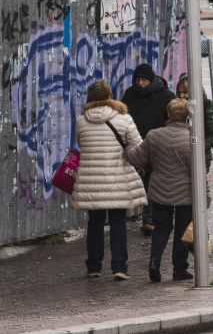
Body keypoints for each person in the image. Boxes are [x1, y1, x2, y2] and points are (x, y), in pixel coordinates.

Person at [74, 81, 146, 280]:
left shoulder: (81, 121)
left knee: (95, 222)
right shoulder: (124, 119)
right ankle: (120, 267)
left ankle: (94, 266)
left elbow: (81, 145)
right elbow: (139, 146)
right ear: (110, 96)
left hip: (92, 180)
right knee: (118, 222)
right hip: (117, 179)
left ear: (90, 98)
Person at [124, 99, 198, 282]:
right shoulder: (192, 138)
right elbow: (198, 171)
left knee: (161, 228)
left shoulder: (154, 135)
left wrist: (127, 146)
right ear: (188, 116)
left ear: (168, 114)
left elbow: (138, 159)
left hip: (159, 190)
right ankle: (179, 269)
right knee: (182, 230)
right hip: (185, 193)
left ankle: (154, 262)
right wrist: (206, 196)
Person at [120, 64, 175, 235]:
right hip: (134, 145)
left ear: (151, 80)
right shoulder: (129, 94)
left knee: (151, 183)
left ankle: (149, 220)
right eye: (138, 79)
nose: (141, 82)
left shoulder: (165, 95)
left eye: (144, 79)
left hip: (156, 145)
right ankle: (126, 216)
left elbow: (172, 120)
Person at [174, 76, 213, 173]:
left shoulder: (206, 106)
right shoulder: (176, 107)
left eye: (185, 92)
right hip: (181, 155)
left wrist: (199, 148)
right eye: (179, 92)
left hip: (200, 155)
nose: (181, 96)